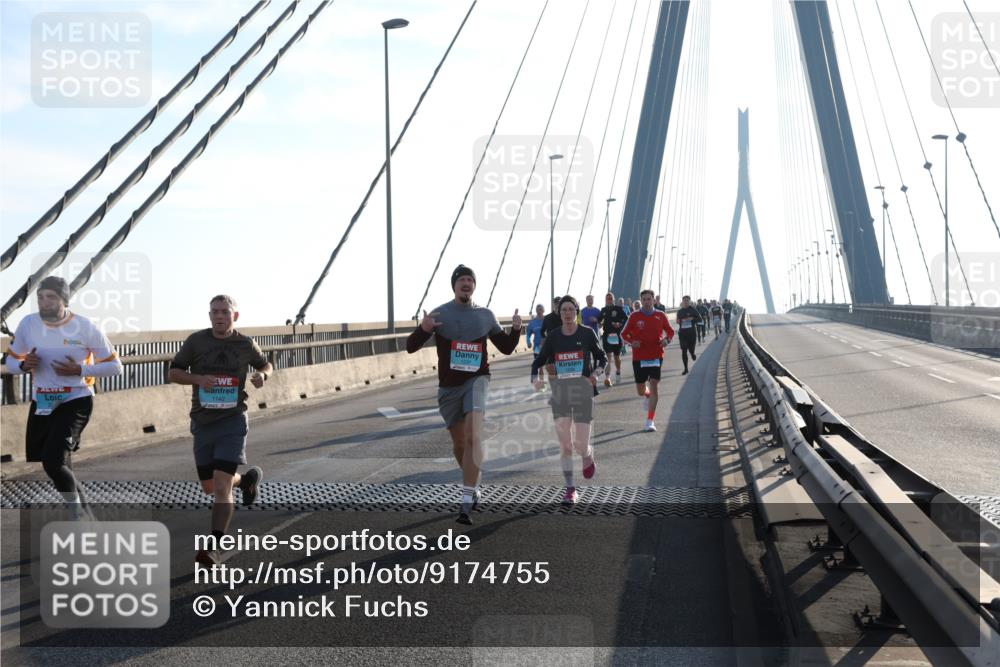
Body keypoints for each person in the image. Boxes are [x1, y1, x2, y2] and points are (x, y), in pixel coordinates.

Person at [406, 265, 521, 525]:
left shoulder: (485, 315)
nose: (466, 283)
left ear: (474, 286)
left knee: (473, 435)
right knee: (459, 444)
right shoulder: (439, 314)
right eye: (462, 280)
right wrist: (424, 329)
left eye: (470, 280)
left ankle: (466, 500)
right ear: (454, 286)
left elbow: (505, 348)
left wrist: (515, 330)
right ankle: (474, 481)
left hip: (477, 380)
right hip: (449, 387)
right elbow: (410, 347)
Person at [5, 276, 123, 519]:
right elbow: (10, 362)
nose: (44, 302)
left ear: (64, 300)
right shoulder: (28, 324)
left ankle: (77, 513)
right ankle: (86, 515)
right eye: (40, 296)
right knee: (58, 463)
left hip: (75, 401)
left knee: (52, 460)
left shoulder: (85, 327)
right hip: (44, 403)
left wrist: (80, 370)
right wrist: (25, 365)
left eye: (51, 297)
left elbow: (115, 367)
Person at [169, 294, 272, 567]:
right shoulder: (196, 341)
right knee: (210, 486)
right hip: (203, 421)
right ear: (209, 314)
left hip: (233, 420)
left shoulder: (245, 343)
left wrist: (264, 376)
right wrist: (198, 379)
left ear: (234, 316)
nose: (218, 316)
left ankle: (213, 547)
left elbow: (265, 364)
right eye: (214, 311)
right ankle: (245, 481)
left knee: (221, 487)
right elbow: (174, 372)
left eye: (224, 312)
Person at [531, 296, 606, 505]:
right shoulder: (554, 336)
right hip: (560, 393)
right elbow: (539, 359)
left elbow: (602, 357)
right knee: (565, 446)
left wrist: (596, 374)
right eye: (563, 310)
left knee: (580, 445)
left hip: (583, 391)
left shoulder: (587, 333)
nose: (567, 313)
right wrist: (536, 378)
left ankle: (587, 453)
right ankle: (570, 489)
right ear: (559, 313)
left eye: (570, 309)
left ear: (577, 311)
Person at [621, 290, 674, 432]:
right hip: (639, 357)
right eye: (644, 299)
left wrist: (666, 340)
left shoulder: (660, 315)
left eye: (649, 299)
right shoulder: (634, 316)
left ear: (653, 300)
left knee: (654, 384)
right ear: (641, 300)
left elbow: (670, 331)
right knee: (640, 390)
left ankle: (650, 421)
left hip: (656, 355)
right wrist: (632, 342)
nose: (646, 301)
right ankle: (646, 394)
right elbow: (623, 334)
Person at [598, 292, 628, 386]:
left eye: (610, 298)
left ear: (613, 299)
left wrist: (619, 324)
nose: (609, 300)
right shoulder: (603, 310)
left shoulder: (618, 309)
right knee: (608, 357)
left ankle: (618, 371)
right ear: (605, 300)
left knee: (617, 358)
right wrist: (599, 323)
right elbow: (600, 322)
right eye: (607, 298)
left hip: (616, 336)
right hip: (607, 335)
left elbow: (626, 319)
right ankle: (607, 378)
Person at [675, 295, 701, 375]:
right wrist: (678, 321)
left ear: (689, 302)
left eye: (687, 300)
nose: (685, 302)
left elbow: (699, 318)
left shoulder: (693, 310)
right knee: (684, 350)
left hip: (691, 333)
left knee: (691, 349)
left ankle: (692, 353)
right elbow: (678, 320)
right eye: (684, 300)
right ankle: (685, 368)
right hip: (682, 333)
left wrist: (692, 319)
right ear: (682, 302)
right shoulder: (680, 311)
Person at [525, 304, 547, 387]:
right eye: (538, 309)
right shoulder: (532, 322)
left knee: (550, 366)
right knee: (539, 366)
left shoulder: (547, 320)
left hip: (548, 347)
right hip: (537, 347)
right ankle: (541, 384)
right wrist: (528, 342)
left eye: (541, 309)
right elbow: (528, 334)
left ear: (543, 310)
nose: (539, 310)